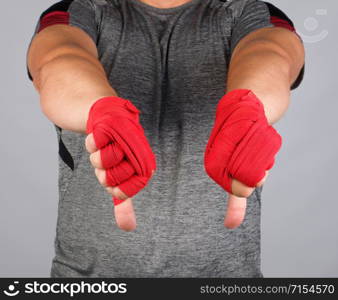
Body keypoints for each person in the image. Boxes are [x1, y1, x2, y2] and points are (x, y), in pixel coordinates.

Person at [26, 0, 305, 277]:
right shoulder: (80, 10)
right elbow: (58, 59)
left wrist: (248, 105)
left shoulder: (249, 12)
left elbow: (272, 53)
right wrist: (101, 110)